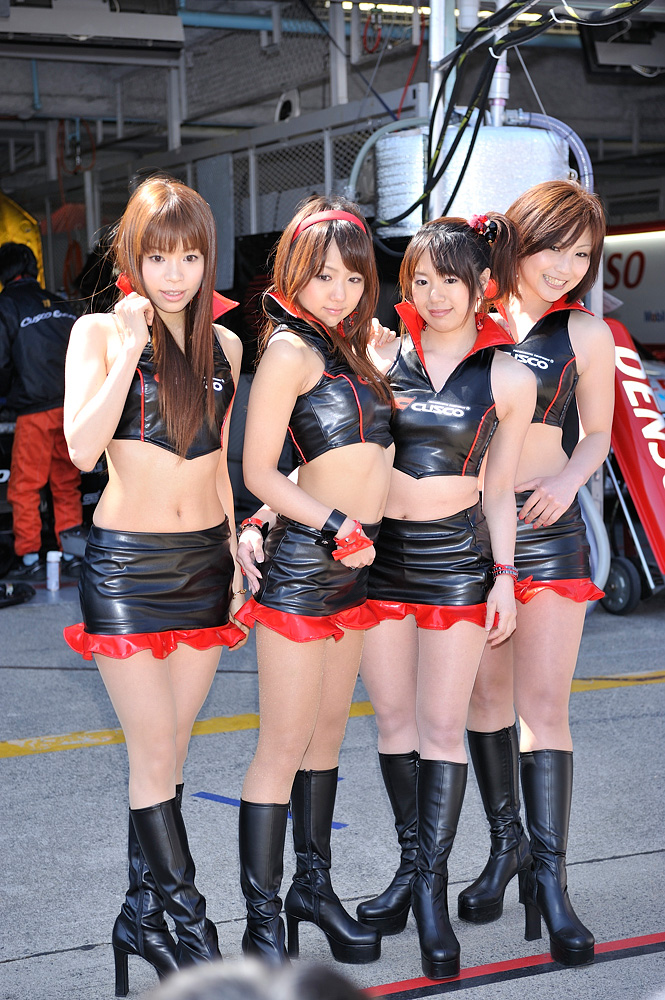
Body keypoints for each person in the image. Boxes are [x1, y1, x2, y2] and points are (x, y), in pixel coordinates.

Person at [61, 176, 247, 992]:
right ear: (132, 259)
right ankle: (192, 924)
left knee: (171, 755)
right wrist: (132, 346)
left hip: (204, 565)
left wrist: (233, 555)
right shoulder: (98, 331)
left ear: (207, 259)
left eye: (190, 257)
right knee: (153, 753)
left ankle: (142, 916)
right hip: (127, 570)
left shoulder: (227, 346)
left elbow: (220, 464)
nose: (175, 274)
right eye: (159, 257)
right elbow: (79, 449)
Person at [354, 215, 536, 980]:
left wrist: (505, 577)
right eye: (420, 280)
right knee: (393, 721)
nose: (433, 295)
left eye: (449, 281)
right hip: (378, 560)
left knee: (438, 726)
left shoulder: (509, 375)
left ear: (481, 286)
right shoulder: (380, 355)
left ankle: (427, 892)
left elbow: (499, 490)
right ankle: (411, 870)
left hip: (456, 562)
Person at [233, 195, 394, 966]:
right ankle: (262, 920)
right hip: (307, 567)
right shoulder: (288, 352)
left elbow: (330, 460)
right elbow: (258, 469)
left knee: (327, 738)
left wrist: (382, 370)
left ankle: (312, 889)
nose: (340, 291)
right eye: (324, 276)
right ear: (294, 273)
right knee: (283, 743)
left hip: (354, 573)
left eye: (353, 278)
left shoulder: (352, 351)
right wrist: (335, 526)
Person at [458, 180, 614, 968]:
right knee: (484, 702)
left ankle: (550, 884)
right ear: (519, 240)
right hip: (464, 534)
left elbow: (598, 435)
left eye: (581, 254)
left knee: (543, 707)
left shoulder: (584, 331)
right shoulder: (464, 313)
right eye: (554, 247)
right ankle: (504, 850)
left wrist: (567, 481)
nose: (565, 266)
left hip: (547, 531)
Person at [0, 242, 82, 580]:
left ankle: (30, 557)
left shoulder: (6, 304)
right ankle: (72, 553)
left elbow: (1, 363)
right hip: (70, 409)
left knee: (24, 486)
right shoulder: (60, 302)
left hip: (33, 410)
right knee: (66, 483)